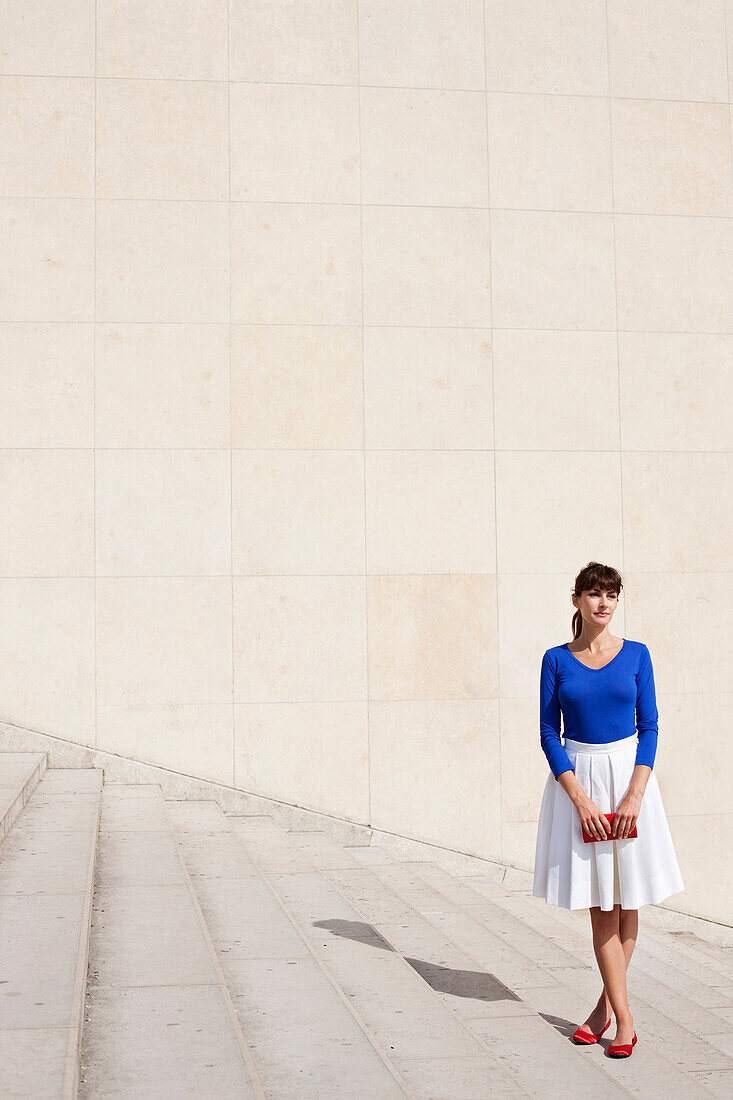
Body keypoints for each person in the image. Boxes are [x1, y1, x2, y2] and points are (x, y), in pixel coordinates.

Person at [532, 561, 684, 1058]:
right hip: (582, 782)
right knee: (603, 908)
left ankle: (604, 1012)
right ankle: (626, 1020)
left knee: (628, 899)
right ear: (575, 599)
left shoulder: (637, 655)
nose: (603, 603)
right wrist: (578, 797)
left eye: (611, 596)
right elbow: (548, 732)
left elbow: (651, 726)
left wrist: (636, 792)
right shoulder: (556, 659)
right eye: (594, 594)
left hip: (630, 781)